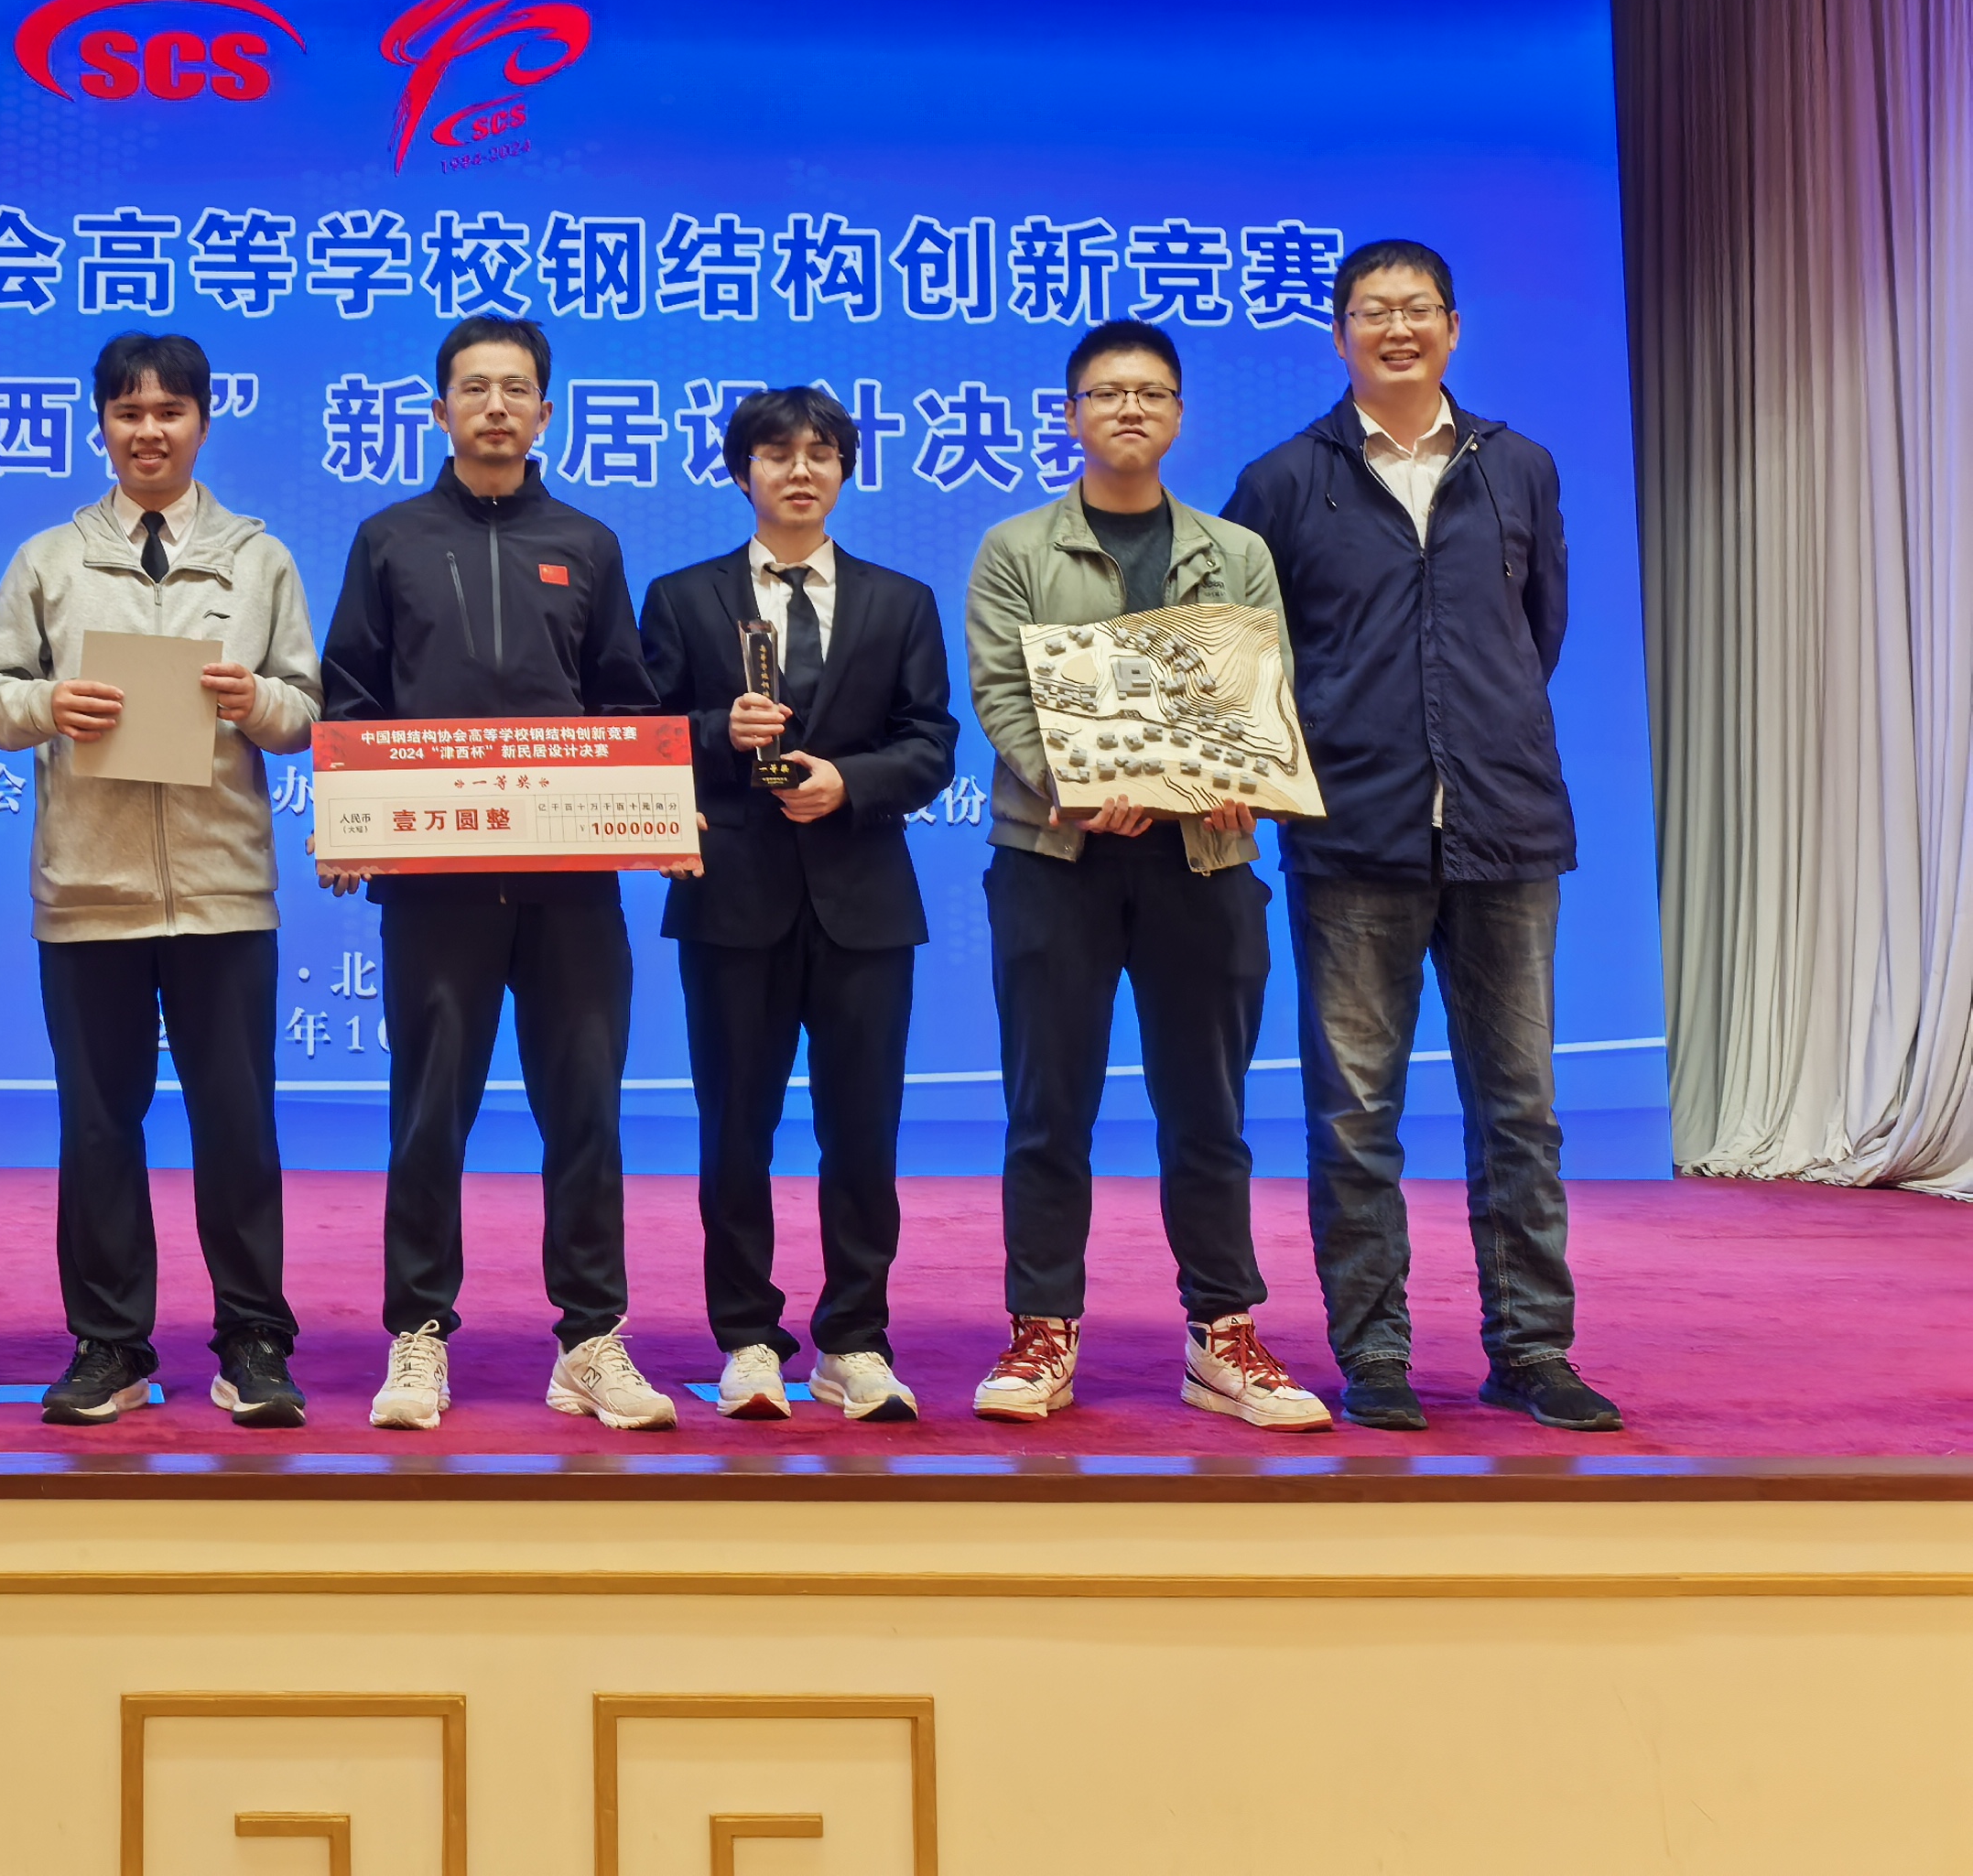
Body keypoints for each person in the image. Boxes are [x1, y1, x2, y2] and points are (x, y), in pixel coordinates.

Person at [1222, 241, 1619, 1435]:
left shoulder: (1520, 468)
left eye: (1417, 309)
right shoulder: (1283, 481)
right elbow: (1244, 656)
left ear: (1452, 327)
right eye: (1372, 311)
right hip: (1354, 835)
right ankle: (1375, 1353)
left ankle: (1532, 1349)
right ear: (1338, 333)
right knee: (1355, 1117)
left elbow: (1537, 634)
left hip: (1507, 825)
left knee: (1521, 1110)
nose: (1396, 328)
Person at [963, 318, 1328, 1431]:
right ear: (1071, 414)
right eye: (1108, 393)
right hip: (1054, 858)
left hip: (1203, 860)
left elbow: (1261, 693)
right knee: (1047, 1108)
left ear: (1177, 414)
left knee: (1208, 1111)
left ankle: (1222, 1333)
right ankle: (1040, 1329)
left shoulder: (1235, 550)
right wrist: (1075, 784)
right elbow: (1003, 693)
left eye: (1152, 393)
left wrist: (1243, 777)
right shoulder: (1016, 548)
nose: (1130, 409)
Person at [320, 314, 680, 1435]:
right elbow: (351, 695)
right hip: (436, 883)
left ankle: (590, 1340)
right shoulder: (388, 539)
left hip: (570, 885)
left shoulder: (587, 541)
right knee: (430, 1114)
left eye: (514, 389)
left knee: (586, 1112)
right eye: (473, 388)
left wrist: (652, 806)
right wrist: (355, 822)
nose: (493, 406)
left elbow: (622, 700)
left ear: (543, 412)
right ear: (439, 410)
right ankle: (417, 1332)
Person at [0, 331, 320, 1429]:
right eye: (128, 413)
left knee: (237, 1127)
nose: (149, 431)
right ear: (102, 425)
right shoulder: (48, 559)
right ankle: (109, 1344)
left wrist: (254, 701)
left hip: (222, 889)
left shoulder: (258, 558)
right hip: (89, 892)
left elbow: (307, 709)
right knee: (98, 1129)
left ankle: (253, 1339)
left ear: (204, 421)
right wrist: (46, 705)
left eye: (169, 411)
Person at [640, 385, 959, 1424]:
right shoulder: (682, 597)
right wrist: (713, 732)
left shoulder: (900, 600)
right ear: (744, 473)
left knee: (862, 1133)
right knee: (735, 1130)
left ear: (845, 471)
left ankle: (854, 1340)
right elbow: (639, 735)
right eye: (776, 454)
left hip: (864, 898)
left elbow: (932, 742)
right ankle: (745, 1337)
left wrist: (849, 784)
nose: (800, 470)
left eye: (820, 453)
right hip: (731, 900)